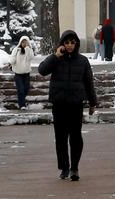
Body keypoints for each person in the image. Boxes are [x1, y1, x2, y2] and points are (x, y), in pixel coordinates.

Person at [39, 29, 97, 181]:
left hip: (75, 104)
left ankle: (74, 168)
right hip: (59, 104)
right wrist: (55, 56)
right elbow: (42, 70)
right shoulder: (56, 59)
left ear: (76, 43)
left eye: (72, 42)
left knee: (76, 137)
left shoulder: (83, 61)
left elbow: (89, 82)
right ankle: (64, 167)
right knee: (60, 137)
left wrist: (92, 102)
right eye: (67, 42)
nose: (70, 45)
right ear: (62, 44)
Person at [9, 35, 34, 110]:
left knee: (26, 88)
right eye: (23, 42)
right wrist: (10, 62)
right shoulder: (16, 49)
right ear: (20, 42)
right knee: (21, 89)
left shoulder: (29, 50)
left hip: (26, 73)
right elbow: (12, 59)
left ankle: (21, 99)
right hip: (18, 73)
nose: (24, 43)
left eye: (26, 42)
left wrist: (27, 49)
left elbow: (31, 57)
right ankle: (22, 105)